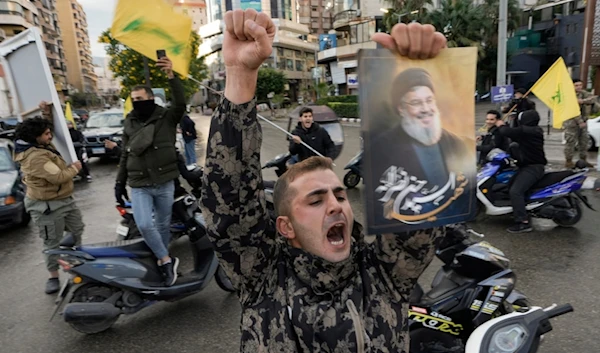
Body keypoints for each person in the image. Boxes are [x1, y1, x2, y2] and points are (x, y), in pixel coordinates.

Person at [199, 9, 448, 352]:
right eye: (315, 200)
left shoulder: (385, 274)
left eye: (340, 196)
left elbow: (421, 197)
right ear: (284, 227)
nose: (335, 205)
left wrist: (412, 73)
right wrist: (240, 74)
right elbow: (229, 199)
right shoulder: (262, 278)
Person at [369, 67, 475, 229]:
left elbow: (466, 191)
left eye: (429, 100)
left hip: (450, 228)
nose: (426, 109)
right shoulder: (381, 148)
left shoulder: (456, 144)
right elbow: (379, 204)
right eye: (416, 103)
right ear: (401, 109)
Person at [114, 56, 186, 286]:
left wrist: (171, 76)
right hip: (140, 184)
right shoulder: (129, 122)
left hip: (164, 182)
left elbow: (180, 103)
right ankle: (165, 260)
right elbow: (125, 153)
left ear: (151, 98)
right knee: (145, 224)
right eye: (133, 99)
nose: (136, 102)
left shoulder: (166, 117)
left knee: (164, 225)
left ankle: (162, 265)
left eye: (140, 98)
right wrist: (119, 183)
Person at [13, 102, 84, 294]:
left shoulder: (40, 144)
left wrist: (46, 113)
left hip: (64, 200)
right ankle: (53, 276)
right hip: (46, 206)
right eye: (46, 134)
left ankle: (75, 263)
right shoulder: (35, 157)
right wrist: (75, 168)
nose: (50, 136)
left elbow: (48, 130)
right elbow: (59, 177)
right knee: (51, 241)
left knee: (77, 229)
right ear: (35, 138)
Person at [495, 110, 547, 233]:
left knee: (515, 191)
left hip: (533, 168)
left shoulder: (528, 131)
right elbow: (515, 131)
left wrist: (501, 124)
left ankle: (523, 222)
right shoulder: (533, 130)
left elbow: (507, 132)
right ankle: (520, 210)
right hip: (527, 166)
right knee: (509, 185)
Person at [563, 78, 597, 168]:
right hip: (571, 123)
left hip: (584, 123)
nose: (579, 87)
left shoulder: (583, 94)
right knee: (570, 142)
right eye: (576, 85)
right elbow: (573, 111)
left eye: (580, 85)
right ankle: (568, 161)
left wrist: (583, 101)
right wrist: (580, 121)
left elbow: (593, 99)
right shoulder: (568, 95)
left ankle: (583, 160)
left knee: (584, 142)